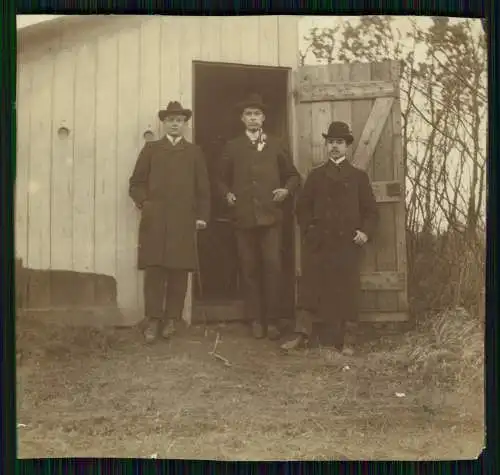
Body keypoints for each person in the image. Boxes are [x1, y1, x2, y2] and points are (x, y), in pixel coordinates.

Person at [280, 121, 378, 353]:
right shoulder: (315, 176)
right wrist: (309, 231)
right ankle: (302, 335)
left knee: (348, 289)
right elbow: (302, 208)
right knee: (310, 288)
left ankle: (348, 340)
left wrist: (364, 232)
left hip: (347, 243)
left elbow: (371, 212)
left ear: (347, 147)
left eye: (340, 143)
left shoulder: (358, 177)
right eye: (331, 142)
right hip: (319, 243)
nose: (335, 147)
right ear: (326, 145)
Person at [217, 93, 301, 340]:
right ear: (242, 119)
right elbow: (219, 178)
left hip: (271, 217)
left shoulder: (276, 144)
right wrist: (227, 194)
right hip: (243, 217)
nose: (253, 118)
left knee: (272, 266)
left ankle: (273, 319)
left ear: (263, 118)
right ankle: (255, 319)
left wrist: (286, 190)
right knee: (249, 268)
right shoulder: (232, 147)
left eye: (257, 114)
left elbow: (293, 175)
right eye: (248, 115)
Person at [129, 101, 210, 343]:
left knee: (178, 270)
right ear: (164, 123)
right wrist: (145, 204)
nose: (175, 124)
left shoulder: (194, 152)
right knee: (154, 269)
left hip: (183, 219)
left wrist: (202, 217)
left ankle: (172, 320)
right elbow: (136, 183)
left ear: (185, 124)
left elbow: (203, 188)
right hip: (156, 219)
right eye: (171, 120)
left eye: (180, 120)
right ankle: (153, 320)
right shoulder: (152, 149)